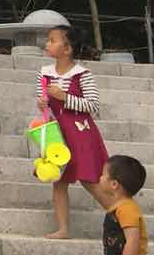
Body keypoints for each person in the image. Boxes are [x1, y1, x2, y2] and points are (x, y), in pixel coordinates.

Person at [39, 25, 110, 239]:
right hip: (58, 134)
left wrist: (64, 97)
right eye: (48, 40)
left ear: (67, 48)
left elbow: (93, 105)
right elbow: (43, 103)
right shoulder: (45, 73)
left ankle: (122, 218)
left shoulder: (82, 74)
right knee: (59, 180)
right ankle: (63, 229)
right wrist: (42, 104)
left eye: (52, 40)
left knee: (90, 179)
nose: (47, 44)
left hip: (80, 133)